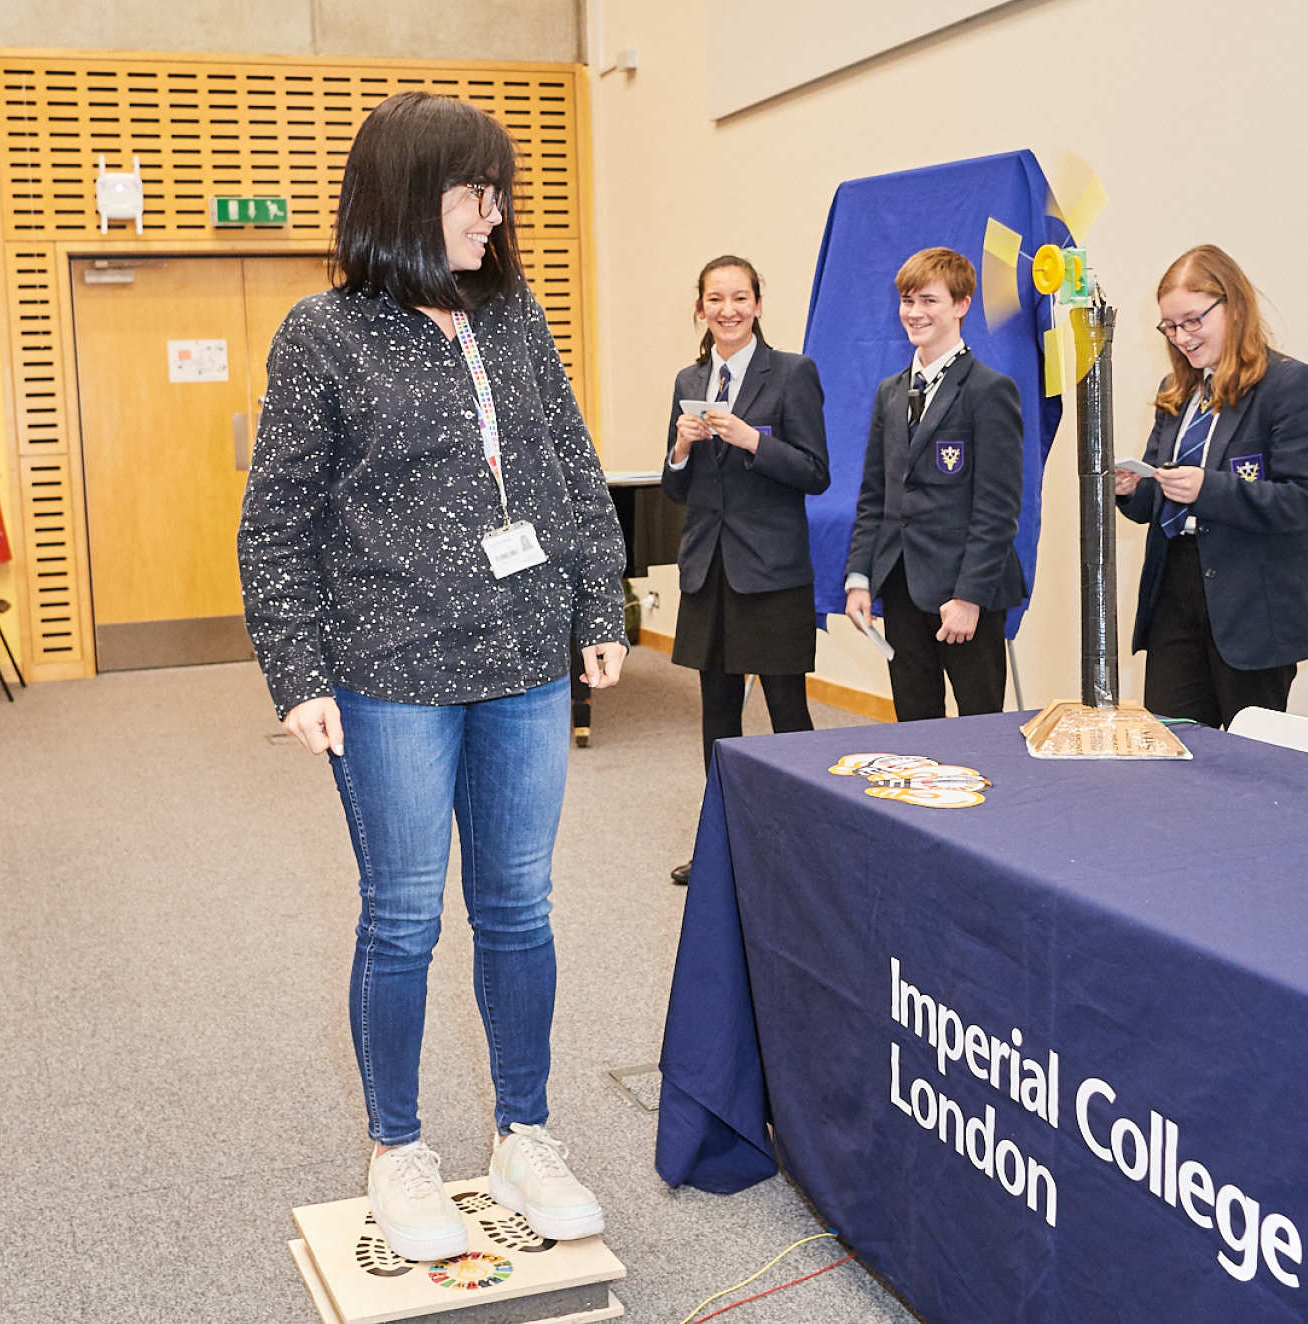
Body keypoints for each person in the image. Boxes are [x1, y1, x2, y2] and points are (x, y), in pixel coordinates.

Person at [237, 90, 627, 1263]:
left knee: (518, 909)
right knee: (403, 918)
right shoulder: (322, 334)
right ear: (410, 197)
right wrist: (296, 670)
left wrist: (597, 600)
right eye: (473, 192)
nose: (493, 213)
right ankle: (397, 1149)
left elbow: (566, 462)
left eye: (499, 191)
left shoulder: (512, 317)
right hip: (386, 676)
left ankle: (523, 1131)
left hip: (521, 665)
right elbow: (277, 520)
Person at [1113, 245, 1308, 728]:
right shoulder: (1178, 394)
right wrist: (1134, 488)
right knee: (1170, 748)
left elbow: (1306, 499)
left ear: (1233, 306)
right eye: (1170, 327)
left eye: (1193, 321)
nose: (1182, 338)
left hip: (1253, 602)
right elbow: (1159, 499)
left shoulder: (1291, 386)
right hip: (1175, 588)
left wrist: (1208, 489)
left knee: (1247, 762)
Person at [661, 256, 828, 887]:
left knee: (788, 710)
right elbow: (675, 491)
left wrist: (753, 440)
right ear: (700, 308)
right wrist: (680, 449)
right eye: (715, 299)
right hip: (709, 571)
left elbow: (816, 471)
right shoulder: (689, 377)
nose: (727, 309)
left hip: (773, 572)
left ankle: (809, 843)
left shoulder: (792, 374)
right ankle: (726, 846)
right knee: (717, 715)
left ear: (758, 304)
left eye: (739, 297)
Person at [843, 247, 1025, 721]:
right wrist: (859, 577)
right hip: (902, 584)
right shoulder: (891, 391)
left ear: (961, 305)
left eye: (929, 300)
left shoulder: (989, 390)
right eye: (907, 300)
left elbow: (998, 509)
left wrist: (968, 597)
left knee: (979, 724)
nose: (915, 312)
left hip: (964, 592)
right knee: (914, 721)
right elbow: (874, 495)